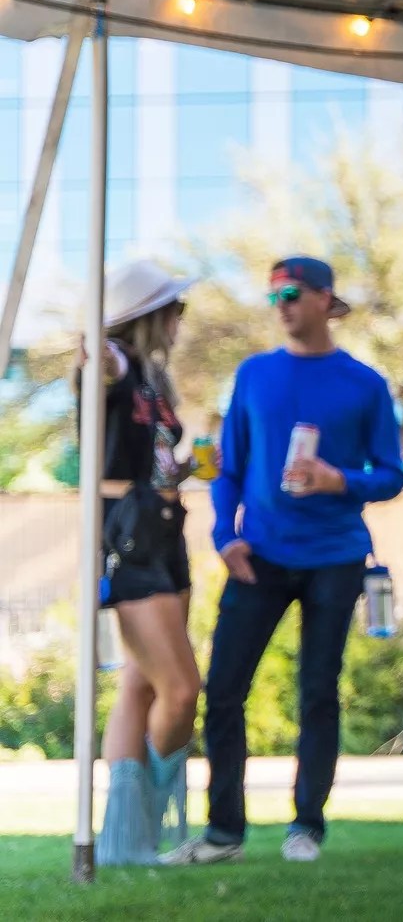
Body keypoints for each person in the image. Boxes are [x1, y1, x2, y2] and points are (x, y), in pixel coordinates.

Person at [165, 257, 403, 866]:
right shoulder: (255, 375)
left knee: (318, 692)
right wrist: (225, 535)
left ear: (325, 300)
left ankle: (306, 827)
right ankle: (224, 834)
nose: (282, 305)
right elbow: (228, 468)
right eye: (274, 295)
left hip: (336, 557)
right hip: (259, 556)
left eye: (293, 293)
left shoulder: (365, 384)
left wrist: (338, 479)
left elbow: (391, 475)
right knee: (223, 690)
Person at [80, 260, 202, 866]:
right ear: (151, 315)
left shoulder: (156, 381)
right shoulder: (119, 365)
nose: (182, 318)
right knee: (182, 690)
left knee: (143, 681)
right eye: (176, 308)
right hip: (128, 542)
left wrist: (179, 470)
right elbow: (98, 365)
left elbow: (147, 457)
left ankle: (129, 842)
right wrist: (97, 346)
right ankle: (141, 825)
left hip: (165, 534)